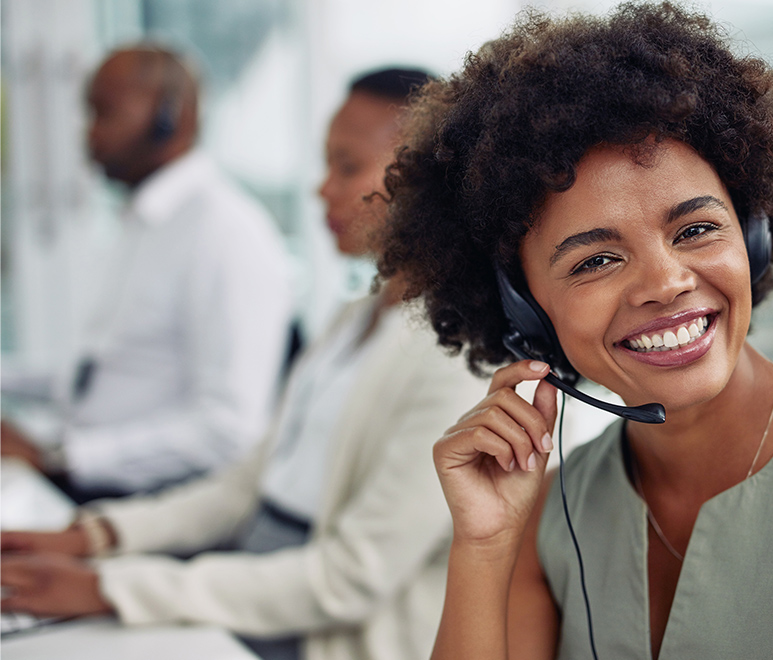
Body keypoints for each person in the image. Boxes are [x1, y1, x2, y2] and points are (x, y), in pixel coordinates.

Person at [375, 4, 773, 659]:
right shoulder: (552, 512)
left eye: (696, 229)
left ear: (751, 237)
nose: (666, 282)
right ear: (525, 310)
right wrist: (483, 546)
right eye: (596, 260)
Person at [0, 67, 489, 660]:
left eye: (346, 166)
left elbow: (349, 577)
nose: (321, 190)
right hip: (251, 576)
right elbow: (244, 487)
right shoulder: (354, 317)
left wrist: (111, 587)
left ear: (424, 188)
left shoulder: (458, 359)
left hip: (315, 626)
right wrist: (95, 538)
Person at [0, 45, 293, 500]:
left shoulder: (224, 231)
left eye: (103, 112)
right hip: (84, 477)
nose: (88, 135)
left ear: (168, 117)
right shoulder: (143, 222)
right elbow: (92, 375)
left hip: (148, 506)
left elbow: (228, 429)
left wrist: (63, 457)